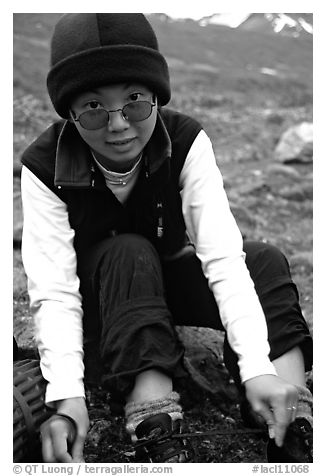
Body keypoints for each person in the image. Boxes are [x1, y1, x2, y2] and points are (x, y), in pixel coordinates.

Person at [20, 13, 313, 463]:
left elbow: (222, 257)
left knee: (264, 260)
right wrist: (67, 396)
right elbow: (55, 291)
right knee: (127, 249)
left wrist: (255, 367)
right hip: (104, 305)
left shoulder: (185, 140)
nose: (118, 125)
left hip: (168, 284)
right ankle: (152, 411)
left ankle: (287, 404)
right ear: (70, 112)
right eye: (94, 109)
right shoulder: (44, 165)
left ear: (156, 96)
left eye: (134, 101)